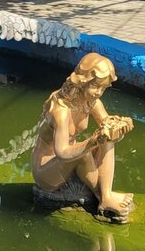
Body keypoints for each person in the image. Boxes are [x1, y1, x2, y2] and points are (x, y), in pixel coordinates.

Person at [32, 53, 134, 222]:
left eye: (103, 88)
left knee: (107, 136)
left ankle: (106, 195)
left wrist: (119, 129)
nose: (98, 93)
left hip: (66, 162)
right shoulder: (61, 110)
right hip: (45, 171)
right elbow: (62, 153)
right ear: (82, 81)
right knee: (85, 152)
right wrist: (93, 141)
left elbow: (107, 126)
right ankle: (103, 197)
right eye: (95, 86)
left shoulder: (90, 102)